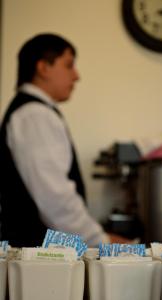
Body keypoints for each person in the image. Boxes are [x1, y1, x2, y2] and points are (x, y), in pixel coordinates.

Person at [0, 33, 130, 247]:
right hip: (36, 257)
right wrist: (99, 240)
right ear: (43, 68)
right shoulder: (34, 115)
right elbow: (54, 197)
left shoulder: (32, 112)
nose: (76, 75)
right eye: (69, 65)